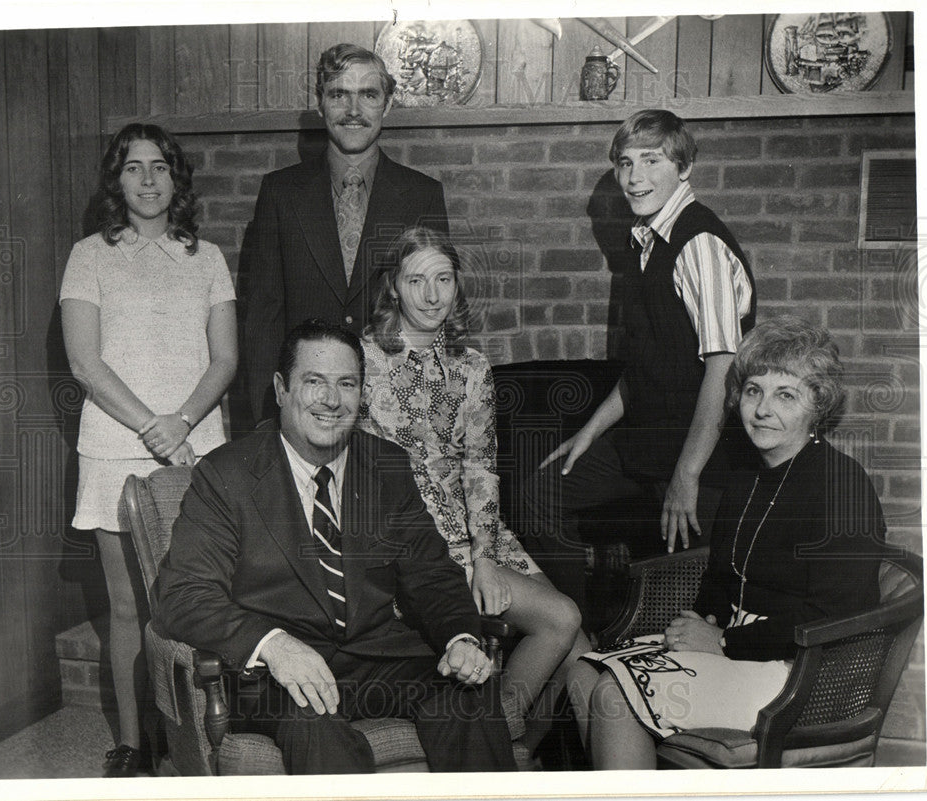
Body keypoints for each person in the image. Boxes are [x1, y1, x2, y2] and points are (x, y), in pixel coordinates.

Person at [155, 319, 518, 774]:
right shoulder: (226, 476)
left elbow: (430, 573)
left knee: (465, 695)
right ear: (281, 389)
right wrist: (274, 645)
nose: (332, 400)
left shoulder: (385, 464)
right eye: (314, 382)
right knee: (315, 723)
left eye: (347, 384)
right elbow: (182, 594)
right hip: (279, 677)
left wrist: (459, 638)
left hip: (377, 659)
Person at [567, 317, 888, 769]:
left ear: (818, 404)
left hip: (799, 675)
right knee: (582, 673)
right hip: (741, 651)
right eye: (753, 390)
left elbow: (838, 611)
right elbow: (722, 575)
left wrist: (722, 640)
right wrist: (696, 625)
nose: (762, 409)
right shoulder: (747, 476)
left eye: (786, 395)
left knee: (612, 695)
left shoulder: (842, 484)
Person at [358, 227, 590, 742]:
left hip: (479, 533)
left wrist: (485, 556)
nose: (432, 295)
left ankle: (521, 749)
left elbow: (480, 466)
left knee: (580, 649)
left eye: (444, 279)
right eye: (416, 280)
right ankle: (497, 739)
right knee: (561, 618)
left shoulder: (472, 366)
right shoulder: (362, 361)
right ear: (393, 286)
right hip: (411, 544)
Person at [521, 108, 757, 612]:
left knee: (684, 601)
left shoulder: (700, 245)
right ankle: (573, 628)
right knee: (536, 497)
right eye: (625, 164)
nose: (635, 177)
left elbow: (724, 368)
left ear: (684, 166)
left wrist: (686, 476)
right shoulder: (646, 242)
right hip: (646, 439)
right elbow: (648, 364)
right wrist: (589, 433)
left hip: (700, 455)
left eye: (651, 161)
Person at [60, 123, 238, 776]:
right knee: (128, 605)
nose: (146, 178)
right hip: (113, 447)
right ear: (117, 180)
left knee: (192, 596)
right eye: (132, 167)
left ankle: (190, 741)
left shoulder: (208, 258)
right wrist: (151, 426)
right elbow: (84, 361)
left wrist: (183, 421)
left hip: (194, 447)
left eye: (159, 166)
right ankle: (134, 747)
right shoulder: (89, 255)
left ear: (176, 178)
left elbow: (226, 358)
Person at [241, 43, 450, 424]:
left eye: (368, 95)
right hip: (305, 410)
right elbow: (263, 318)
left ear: (387, 105)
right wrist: (264, 420)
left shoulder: (422, 195)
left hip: (395, 412)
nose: (354, 111)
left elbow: (433, 314)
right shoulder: (280, 192)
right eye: (339, 94)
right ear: (321, 104)